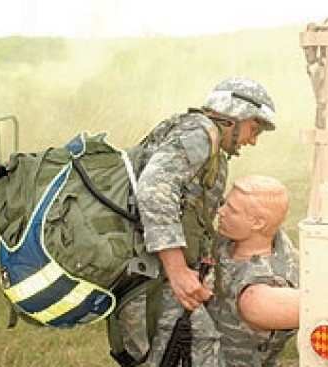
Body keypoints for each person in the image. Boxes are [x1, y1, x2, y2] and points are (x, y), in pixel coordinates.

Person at [117, 77, 277, 367]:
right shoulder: (201, 134)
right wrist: (177, 270)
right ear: (234, 116)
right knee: (199, 353)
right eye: (254, 129)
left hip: (152, 274)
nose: (252, 140)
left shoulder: (205, 140)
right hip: (156, 277)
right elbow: (154, 188)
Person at [207, 175, 300, 367]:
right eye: (225, 204)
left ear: (258, 223)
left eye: (232, 210)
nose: (220, 211)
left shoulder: (256, 296)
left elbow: (326, 308)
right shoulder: (226, 243)